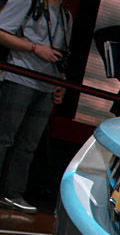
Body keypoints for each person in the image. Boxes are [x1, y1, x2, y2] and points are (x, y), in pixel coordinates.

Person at [0, 0, 72, 213]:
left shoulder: (66, 15)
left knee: (28, 145)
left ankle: (11, 193)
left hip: (47, 85)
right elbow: (2, 31)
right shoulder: (27, 1)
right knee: (4, 138)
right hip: (20, 77)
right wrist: (33, 48)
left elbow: (59, 53)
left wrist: (61, 81)